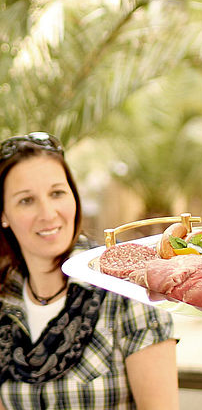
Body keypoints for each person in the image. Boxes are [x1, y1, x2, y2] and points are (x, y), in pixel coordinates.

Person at [0, 132, 178, 410]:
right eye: (26, 200)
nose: (48, 213)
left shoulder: (127, 288)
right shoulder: (3, 300)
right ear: (3, 215)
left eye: (57, 193)